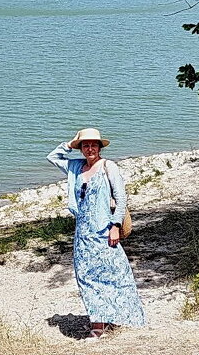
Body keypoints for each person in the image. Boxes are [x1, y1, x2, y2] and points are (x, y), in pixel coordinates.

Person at [47, 127, 145, 339]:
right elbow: (52, 156)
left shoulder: (109, 167)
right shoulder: (75, 167)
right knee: (86, 277)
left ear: (100, 147)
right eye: (85, 145)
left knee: (115, 272)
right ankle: (98, 323)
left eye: (93, 144)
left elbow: (121, 199)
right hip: (82, 233)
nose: (90, 148)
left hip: (104, 230)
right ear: (81, 148)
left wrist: (115, 226)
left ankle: (114, 317)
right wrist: (71, 143)